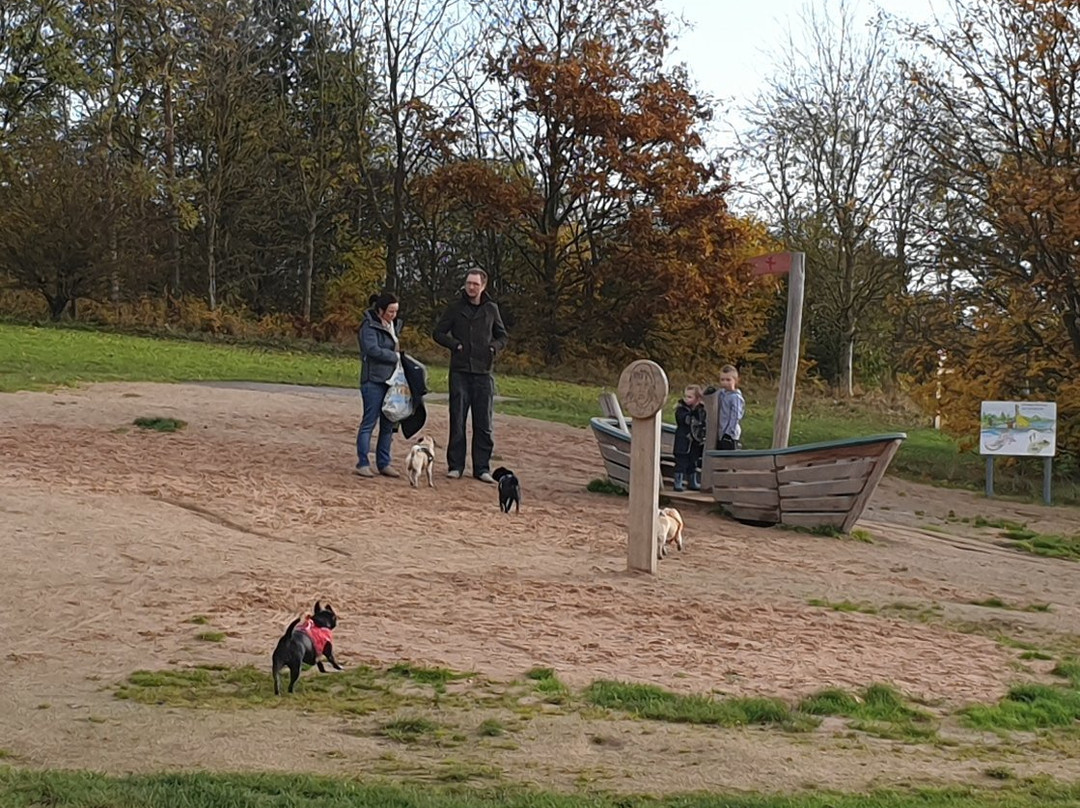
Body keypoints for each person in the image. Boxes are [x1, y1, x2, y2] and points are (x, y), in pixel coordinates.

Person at [432, 268, 509, 483]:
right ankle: (455, 465)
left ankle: (482, 467)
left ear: (483, 286)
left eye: (475, 284)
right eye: (468, 283)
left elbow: (503, 336)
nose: (471, 287)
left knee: (483, 422)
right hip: (460, 371)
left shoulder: (491, 309)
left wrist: (494, 347)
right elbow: (438, 333)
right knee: (457, 419)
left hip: (483, 373)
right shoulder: (455, 308)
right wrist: (454, 344)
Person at [354, 292, 402, 478]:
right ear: (380, 310)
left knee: (388, 423)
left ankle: (384, 462)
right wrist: (395, 357)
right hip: (373, 380)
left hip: (391, 380)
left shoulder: (393, 326)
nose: (394, 315)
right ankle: (363, 462)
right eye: (390, 311)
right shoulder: (368, 326)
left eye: (396, 311)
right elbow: (372, 350)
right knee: (369, 422)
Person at [673, 385, 706, 492]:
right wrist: (692, 414)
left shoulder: (701, 410)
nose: (686, 399)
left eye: (690, 397)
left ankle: (692, 481)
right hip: (683, 441)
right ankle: (678, 482)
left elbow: (702, 422)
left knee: (693, 462)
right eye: (686, 396)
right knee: (681, 462)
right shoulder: (681, 409)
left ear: (697, 398)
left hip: (695, 442)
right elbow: (684, 420)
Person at [716, 364, 745, 451]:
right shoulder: (722, 393)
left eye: (728, 380)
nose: (725, 383)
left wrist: (729, 432)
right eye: (722, 380)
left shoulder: (735, 397)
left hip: (730, 434)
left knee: (728, 457)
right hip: (721, 431)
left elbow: (735, 416)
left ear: (735, 381)